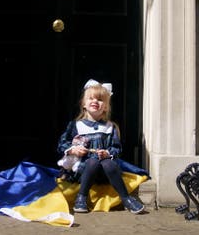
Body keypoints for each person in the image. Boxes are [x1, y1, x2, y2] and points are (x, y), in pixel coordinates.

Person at [56, 79, 146, 214]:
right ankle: (81, 197)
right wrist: (73, 149)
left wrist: (108, 153)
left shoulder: (110, 127)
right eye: (91, 98)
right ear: (84, 104)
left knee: (108, 163)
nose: (95, 101)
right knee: (92, 161)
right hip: (83, 170)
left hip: (105, 173)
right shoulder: (76, 125)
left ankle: (126, 198)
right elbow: (62, 143)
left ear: (106, 107)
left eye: (100, 99)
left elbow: (117, 148)